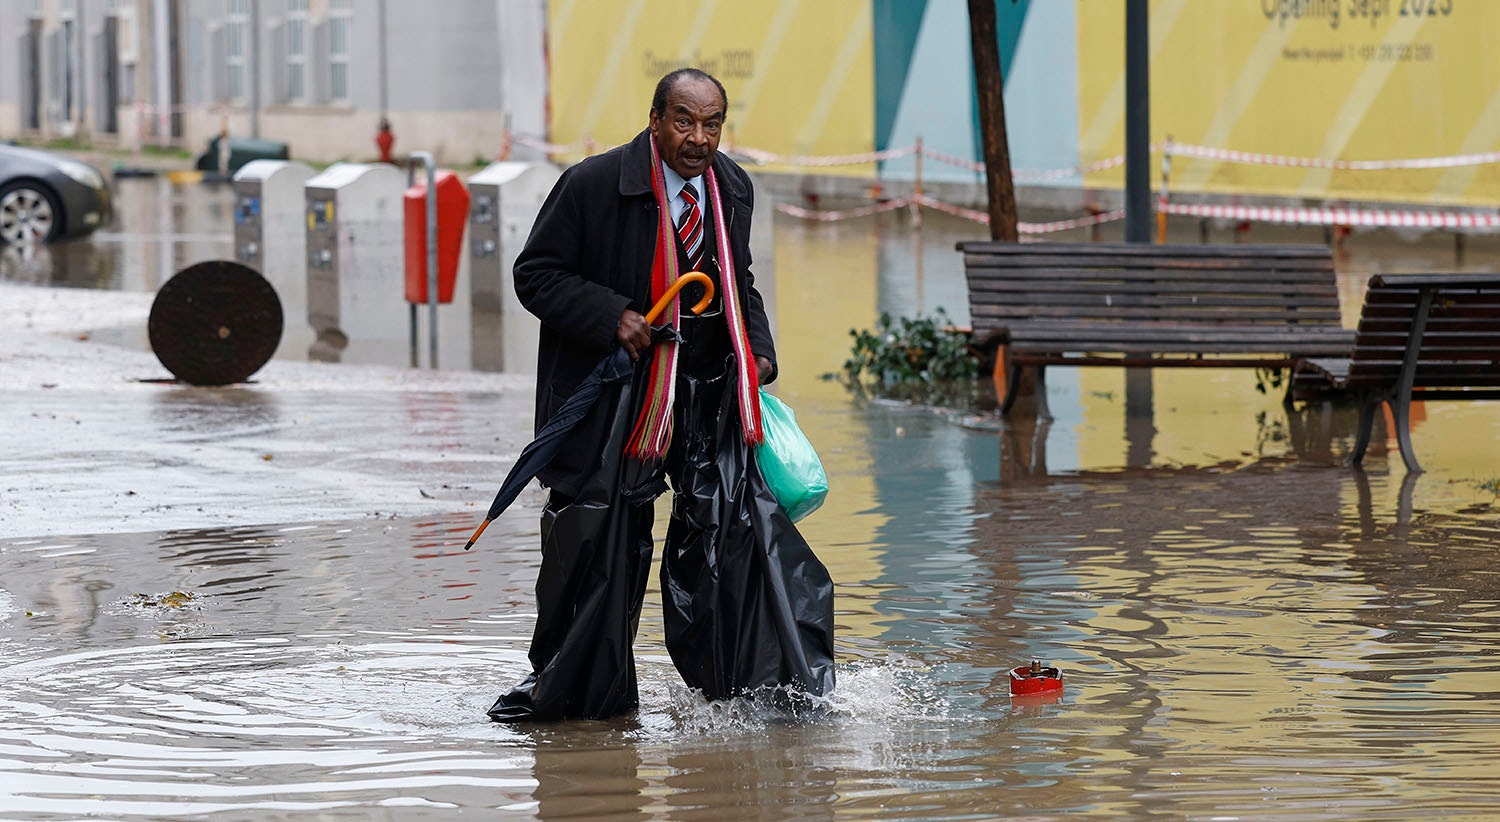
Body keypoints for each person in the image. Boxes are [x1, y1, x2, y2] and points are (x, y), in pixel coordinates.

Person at [491, 68, 835, 722]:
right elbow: (535, 275)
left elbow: (742, 280)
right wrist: (611, 315)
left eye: (711, 124)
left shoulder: (731, 186)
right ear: (654, 120)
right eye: (684, 120)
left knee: (727, 545)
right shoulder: (593, 185)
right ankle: (582, 699)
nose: (698, 137)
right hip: (618, 404)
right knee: (601, 547)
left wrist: (758, 350)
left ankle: (745, 694)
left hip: (705, 400)